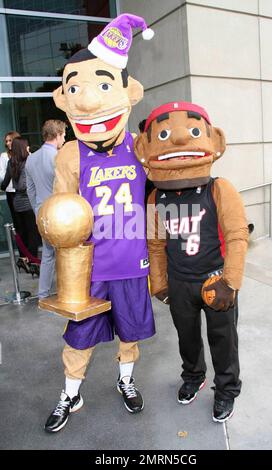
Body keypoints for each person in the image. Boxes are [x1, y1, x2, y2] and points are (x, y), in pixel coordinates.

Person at [44, 14, 156, 433]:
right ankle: (71, 393)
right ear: (66, 98)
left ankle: (126, 382)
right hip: (88, 268)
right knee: (79, 337)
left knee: (130, 334)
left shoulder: (139, 146)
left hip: (131, 261)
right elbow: (59, 210)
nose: (90, 102)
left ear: (128, 94)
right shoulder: (70, 155)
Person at [135, 101, 249, 423]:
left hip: (216, 281)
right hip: (180, 282)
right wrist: (160, 283)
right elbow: (155, 244)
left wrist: (231, 282)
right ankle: (193, 377)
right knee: (187, 338)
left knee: (223, 340)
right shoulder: (157, 197)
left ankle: (226, 390)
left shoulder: (219, 189)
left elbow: (238, 236)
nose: (179, 143)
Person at [25, 120, 66, 298]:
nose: (64, 139)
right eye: (63, 135)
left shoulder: (31, 159)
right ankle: (68, 291)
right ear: (57, 135)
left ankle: (43, 294)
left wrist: (37, 210)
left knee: (48, 254)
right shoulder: (59, 158)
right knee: (67, 253)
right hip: (61, 212)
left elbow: (30, 190)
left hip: (43, 213)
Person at [1, 137, 40, 274]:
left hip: (17, 202)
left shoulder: (11, 162)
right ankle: (34, 263)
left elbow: (4, 184)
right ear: (24, 147)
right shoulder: (27, 161)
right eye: (27, 146)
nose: (29, 148)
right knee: (33, 234)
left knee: (22, 232)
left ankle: (23, 259)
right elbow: (25, 185)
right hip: (28, 202)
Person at [0, 131, 21, 247]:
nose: (8, 143)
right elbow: (2, 175)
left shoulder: (25, 154)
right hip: (11, 193)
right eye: (6, 141)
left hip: (24, 192)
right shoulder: (4, 156)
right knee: (17, 222)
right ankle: (22, 251)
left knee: (27, 223)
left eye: (10, 140)